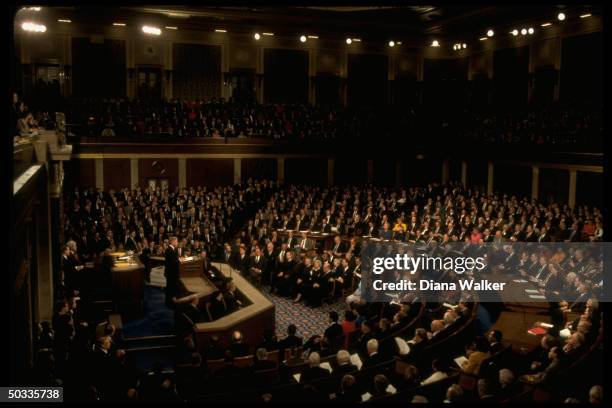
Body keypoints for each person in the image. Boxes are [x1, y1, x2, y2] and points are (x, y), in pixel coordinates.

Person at [164, 237, 180, 308]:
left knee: (173, 288)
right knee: (170, 288)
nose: (177, 243)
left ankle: (172, 302)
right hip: (170, 273)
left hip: (175, 272)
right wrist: (179, 260)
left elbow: (176, 259)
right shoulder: (168, 250)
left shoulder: (175, 249)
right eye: (176, 242)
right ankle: (168, 303)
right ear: (173, 242)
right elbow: (173, 261)